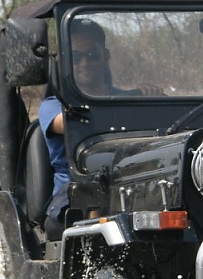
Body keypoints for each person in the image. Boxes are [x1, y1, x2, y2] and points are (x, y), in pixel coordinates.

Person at [38, 18, 162, 235]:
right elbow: (66, 123)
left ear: (105, 56)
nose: (84, 63)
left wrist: (151, 99)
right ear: (65, 59)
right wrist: (130, 108)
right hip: (74, 193)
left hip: (131, 186)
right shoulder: (53, 105)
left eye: (92, 55)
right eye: (76, 57)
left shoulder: (123, 98)